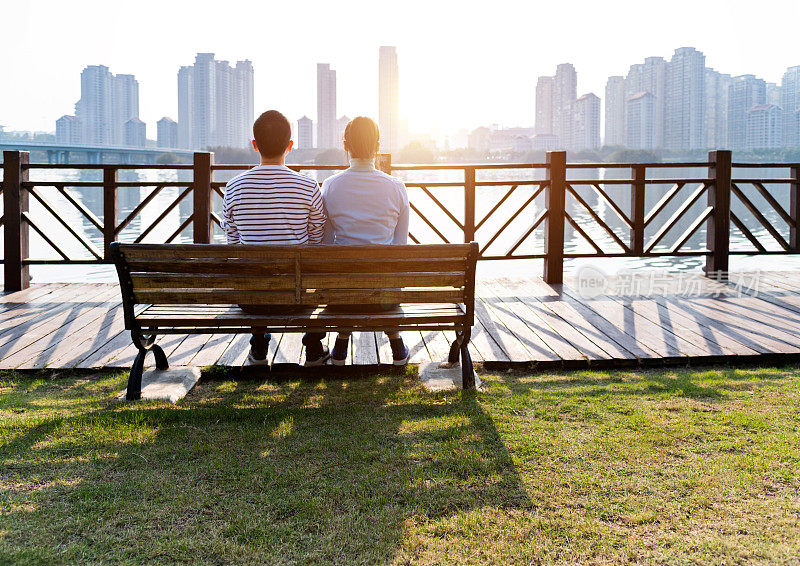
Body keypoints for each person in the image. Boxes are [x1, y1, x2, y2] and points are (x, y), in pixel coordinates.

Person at [223, 110, 329, 366]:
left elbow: (234, 243)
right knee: (313, 267)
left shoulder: (234, 187)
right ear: (290, 146)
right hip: (298, 298)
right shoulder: (307, 187)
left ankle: (259, 347)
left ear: (255, 146)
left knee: (252, 269)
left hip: (252, 300)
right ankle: (313, 348)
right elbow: (317, 240)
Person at [321, 116, 410, 365]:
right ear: (378, 146)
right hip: (385, 298)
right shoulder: (397, 187)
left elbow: (326, 245)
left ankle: (340, 345)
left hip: (341, 298)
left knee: (346, 276)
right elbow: (399, 248)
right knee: (382, 275)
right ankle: (396, 344)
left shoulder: (329, 186)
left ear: (345, 145)